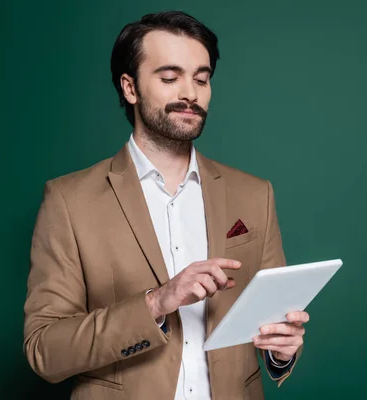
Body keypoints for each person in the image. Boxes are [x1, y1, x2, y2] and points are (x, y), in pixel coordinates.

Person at [23, 11, 308, 399]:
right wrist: (157, 302)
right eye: (170, 78)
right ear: (130, 87)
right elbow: (44, 351)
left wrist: (281, 350)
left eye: (202, 78)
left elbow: (272, 320)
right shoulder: (69, 201)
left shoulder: (256, 194)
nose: (190, 92)